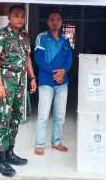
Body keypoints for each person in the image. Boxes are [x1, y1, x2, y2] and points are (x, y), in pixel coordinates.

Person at [0, 5, 37, 177]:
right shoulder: (0, 34)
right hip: (5, 83)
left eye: (22, 16)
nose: (20, 19)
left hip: (20, 82)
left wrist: (32, 78)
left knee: (15, 118)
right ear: (9, 17)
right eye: (16, 16)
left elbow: (27, 58)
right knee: (3, 119)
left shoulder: (25, 36)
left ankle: (9, 153)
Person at [34, 11, 73, 155]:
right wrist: (54, 73)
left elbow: (69, 59)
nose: (55, 22)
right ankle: (39, 144)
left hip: (62, 82)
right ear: (48, 22)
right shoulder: (41, 37)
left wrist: (64, 71)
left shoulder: (65, 40)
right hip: (46, 82)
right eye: (52, 19)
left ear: (61, 22)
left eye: (58, 19)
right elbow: (38, 59)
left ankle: (56, 142)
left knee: (60, 115)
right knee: (43, 115)